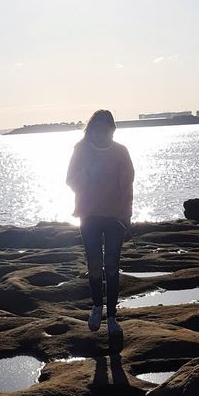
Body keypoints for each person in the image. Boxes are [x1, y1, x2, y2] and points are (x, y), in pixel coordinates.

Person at [66, 110, 135, 337]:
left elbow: (127, 187)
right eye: (97, 129)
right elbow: (70, 181)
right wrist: (87, 172)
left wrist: (127, 215)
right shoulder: (81, 150)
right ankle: (97, 307)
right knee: (94, 265)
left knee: (112, 265)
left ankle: (113, 317)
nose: (102, 133)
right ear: (91, 129)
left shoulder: (121, 152)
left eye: (106, 129)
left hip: (115, 217)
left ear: (112, 130)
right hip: (89, 215)